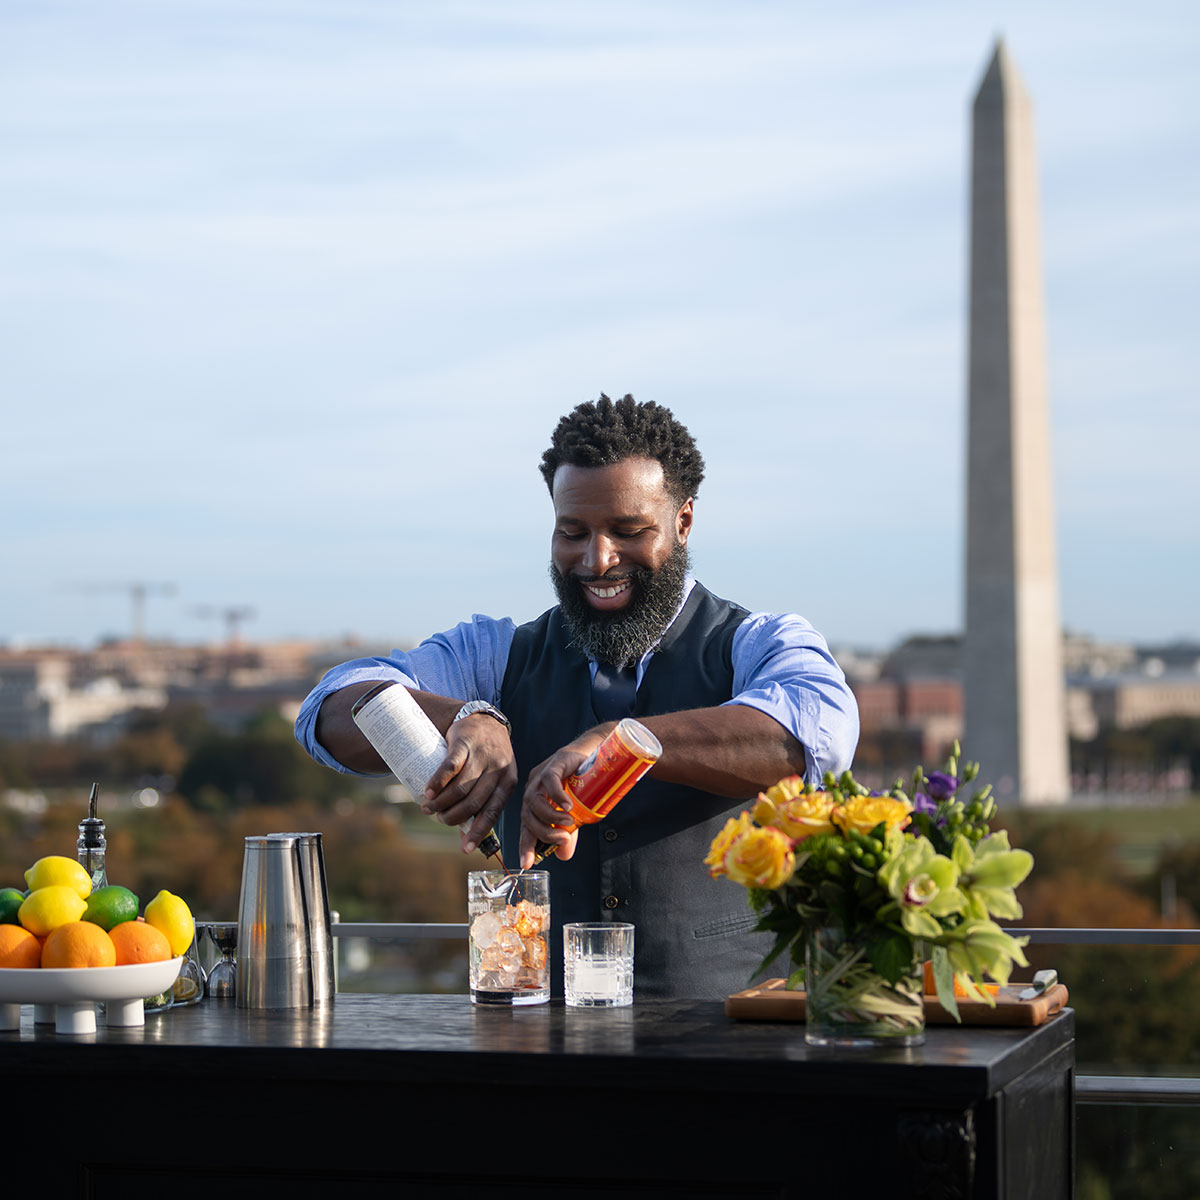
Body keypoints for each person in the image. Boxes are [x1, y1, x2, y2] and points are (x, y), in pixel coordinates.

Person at [295, 394, 859, 998]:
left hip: (730, 1037)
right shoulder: (498, 653)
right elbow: (328, 709)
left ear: (684, 521)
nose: (597, 560)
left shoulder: (755, 642)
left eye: (628, 531)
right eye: (573, 532)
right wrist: (464, 715)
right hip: (541, 1046)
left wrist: (621, 745)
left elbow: (812, 734)